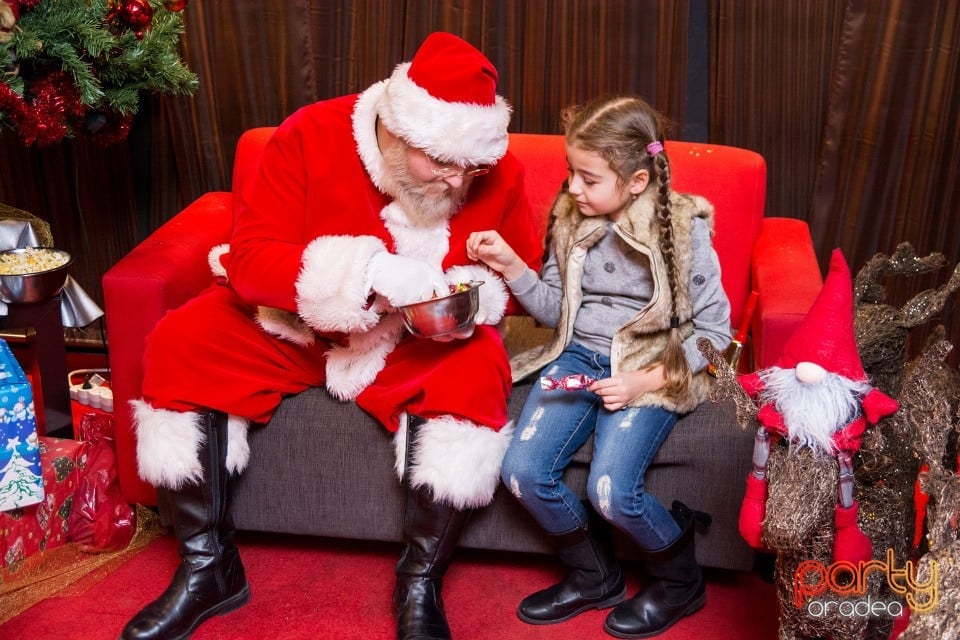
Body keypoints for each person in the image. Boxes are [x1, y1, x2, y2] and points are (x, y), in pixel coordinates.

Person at [119, 32, 543, 640]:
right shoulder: (311, 134)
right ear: (398, 130)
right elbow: (251, 259)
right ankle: (208, 567)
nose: (457, 181)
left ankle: (420, 581)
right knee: (184, 339)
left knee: (477, 366)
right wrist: (368, 272)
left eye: (469, 166)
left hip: (408, 340)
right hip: (293, 325)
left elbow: (518, 268)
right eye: (441, 162)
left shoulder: (497, 171)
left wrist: (468, 295)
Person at [466, 95, 731, 638]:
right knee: (521, 472)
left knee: (610, 490)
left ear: (635, 181)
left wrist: (644, 380)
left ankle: (681, 583)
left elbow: (716, 336)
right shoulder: (570, 219)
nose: (571, 190)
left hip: (651, 365)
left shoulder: (684, 229)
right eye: (570, 173)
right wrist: (511, 266)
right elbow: (554, 313)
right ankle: (595, 576)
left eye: (588, 179)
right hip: (577, 357)